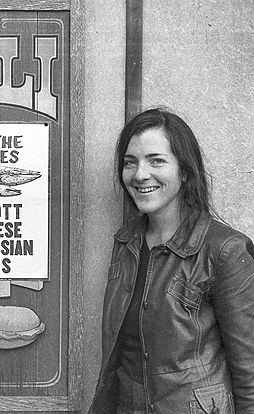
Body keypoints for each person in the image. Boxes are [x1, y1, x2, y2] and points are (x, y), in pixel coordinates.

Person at [89, 108, 254, 413]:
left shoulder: (225, 250)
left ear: (185, 171)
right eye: (130, 162)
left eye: (156, 161)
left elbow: (249, 372)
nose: (140, 174)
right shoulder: (127, 242)